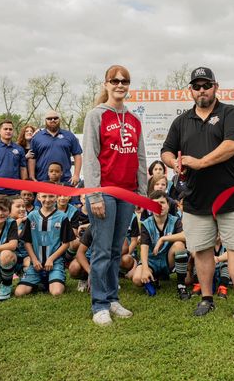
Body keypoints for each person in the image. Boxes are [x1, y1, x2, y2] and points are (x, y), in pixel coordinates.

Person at [161, 66, 234, 325]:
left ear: (216, 86)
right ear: (190, 90)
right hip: (196, 197)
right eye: (197, 86)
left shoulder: (230, 113)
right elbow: (167, 150)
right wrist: (174, 163)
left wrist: (202, 162)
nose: (202, 90)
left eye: (206, 85)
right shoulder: (181, 121)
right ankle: (207, 298)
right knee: (202, 250)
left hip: (231, 196)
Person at [83, 64, 146, 326]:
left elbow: (140, 158)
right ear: (106, 84)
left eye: (125, 81)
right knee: (100, 249)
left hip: (127, 193)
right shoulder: (96, 116)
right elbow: (90, 158)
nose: (120, 84)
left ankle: (112, 298)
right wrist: (95, 195)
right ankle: (99, 304)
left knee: (114, 251)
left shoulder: (134, 120)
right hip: (104, 192)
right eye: (115, 80)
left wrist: (141, 194)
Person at [14, 192, 75, 297]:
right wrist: (34, 260)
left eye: (51, 196)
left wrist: (51, 259)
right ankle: (41, 281)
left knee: (56, 292)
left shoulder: (62, 217)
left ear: (56, 197)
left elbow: (66, 244)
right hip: (36, 263)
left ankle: (52, 279)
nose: (47, 199)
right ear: (38, 197)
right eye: (44, 196)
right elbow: (27, 242)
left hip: (54, 262)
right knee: (19, 293)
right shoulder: (32, 216)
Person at [131, 190, 189, 299]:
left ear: (168, 205)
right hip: (151, 260)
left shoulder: (175, 220)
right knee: (137, 279)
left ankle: (181, 285)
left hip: (167, 260)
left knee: (179, 245)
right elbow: (143, 247)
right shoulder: (146, 223)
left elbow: (186, 236)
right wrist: (145, 268)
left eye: (162, 202)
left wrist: (163, 239)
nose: (159, 206)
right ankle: (154, 279)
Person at [28, 110, 82, 185]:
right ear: (45, 120)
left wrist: (76, 175)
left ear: (59, 119)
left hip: (65, 180)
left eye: (55, 118)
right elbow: (32, 157)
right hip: (42, 179)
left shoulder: (69, 136)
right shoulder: (37, 137)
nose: (52, 120)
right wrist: (31, 176)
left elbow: (77, 155)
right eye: (49, 118)